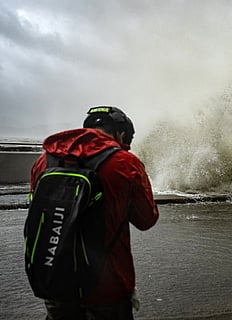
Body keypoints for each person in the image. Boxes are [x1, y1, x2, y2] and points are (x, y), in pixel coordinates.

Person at [30, 106, 159, 320]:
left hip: (54, 280)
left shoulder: (44, 161)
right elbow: (146, 219)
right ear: (121, 134)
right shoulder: (125, 163)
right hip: (108, 286)